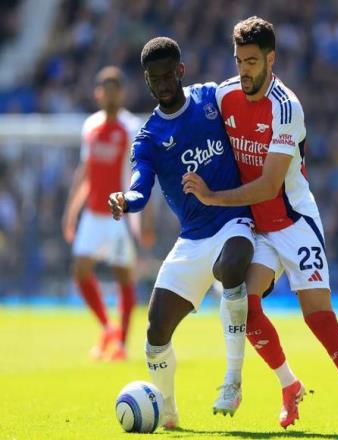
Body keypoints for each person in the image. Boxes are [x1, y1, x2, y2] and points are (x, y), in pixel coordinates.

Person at [182, 17, 338, 435]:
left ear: (271, 59)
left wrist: (212, 197)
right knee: (244, 305)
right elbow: (186, 105)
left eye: (251, 61)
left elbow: (268, 185)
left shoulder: (286, 107)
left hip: (294, 223)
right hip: (257, 227)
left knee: (320, 320)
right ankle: (289, 384)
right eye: (238, 60)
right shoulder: (224, 94)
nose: (244, 70)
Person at [108, 37, 255, 429]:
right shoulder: (149, 137)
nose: (163, 84)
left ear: (181, 71)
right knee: (155, 330)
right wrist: (126, 199)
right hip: (192, 240)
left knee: (231, 265)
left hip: (234, 221)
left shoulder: (211, 99)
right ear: (146, 80)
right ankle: (168, 411)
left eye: (168, 76)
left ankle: (232, 380)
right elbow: (141, 186)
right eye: (154, 79)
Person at [62, 66, 149, 362]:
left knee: (123, 276)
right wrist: (71, 211)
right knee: (80, 270)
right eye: (105, 90)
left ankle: (121, 344)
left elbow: (142, 174)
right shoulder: (91, 126)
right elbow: (85, 171)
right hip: (92, 214)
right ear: (98, 93)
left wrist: (145, 217)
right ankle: (108, 328)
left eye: (115, 90)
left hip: (119, 215)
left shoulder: (131, 128)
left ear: (122, 94)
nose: (110, 96)